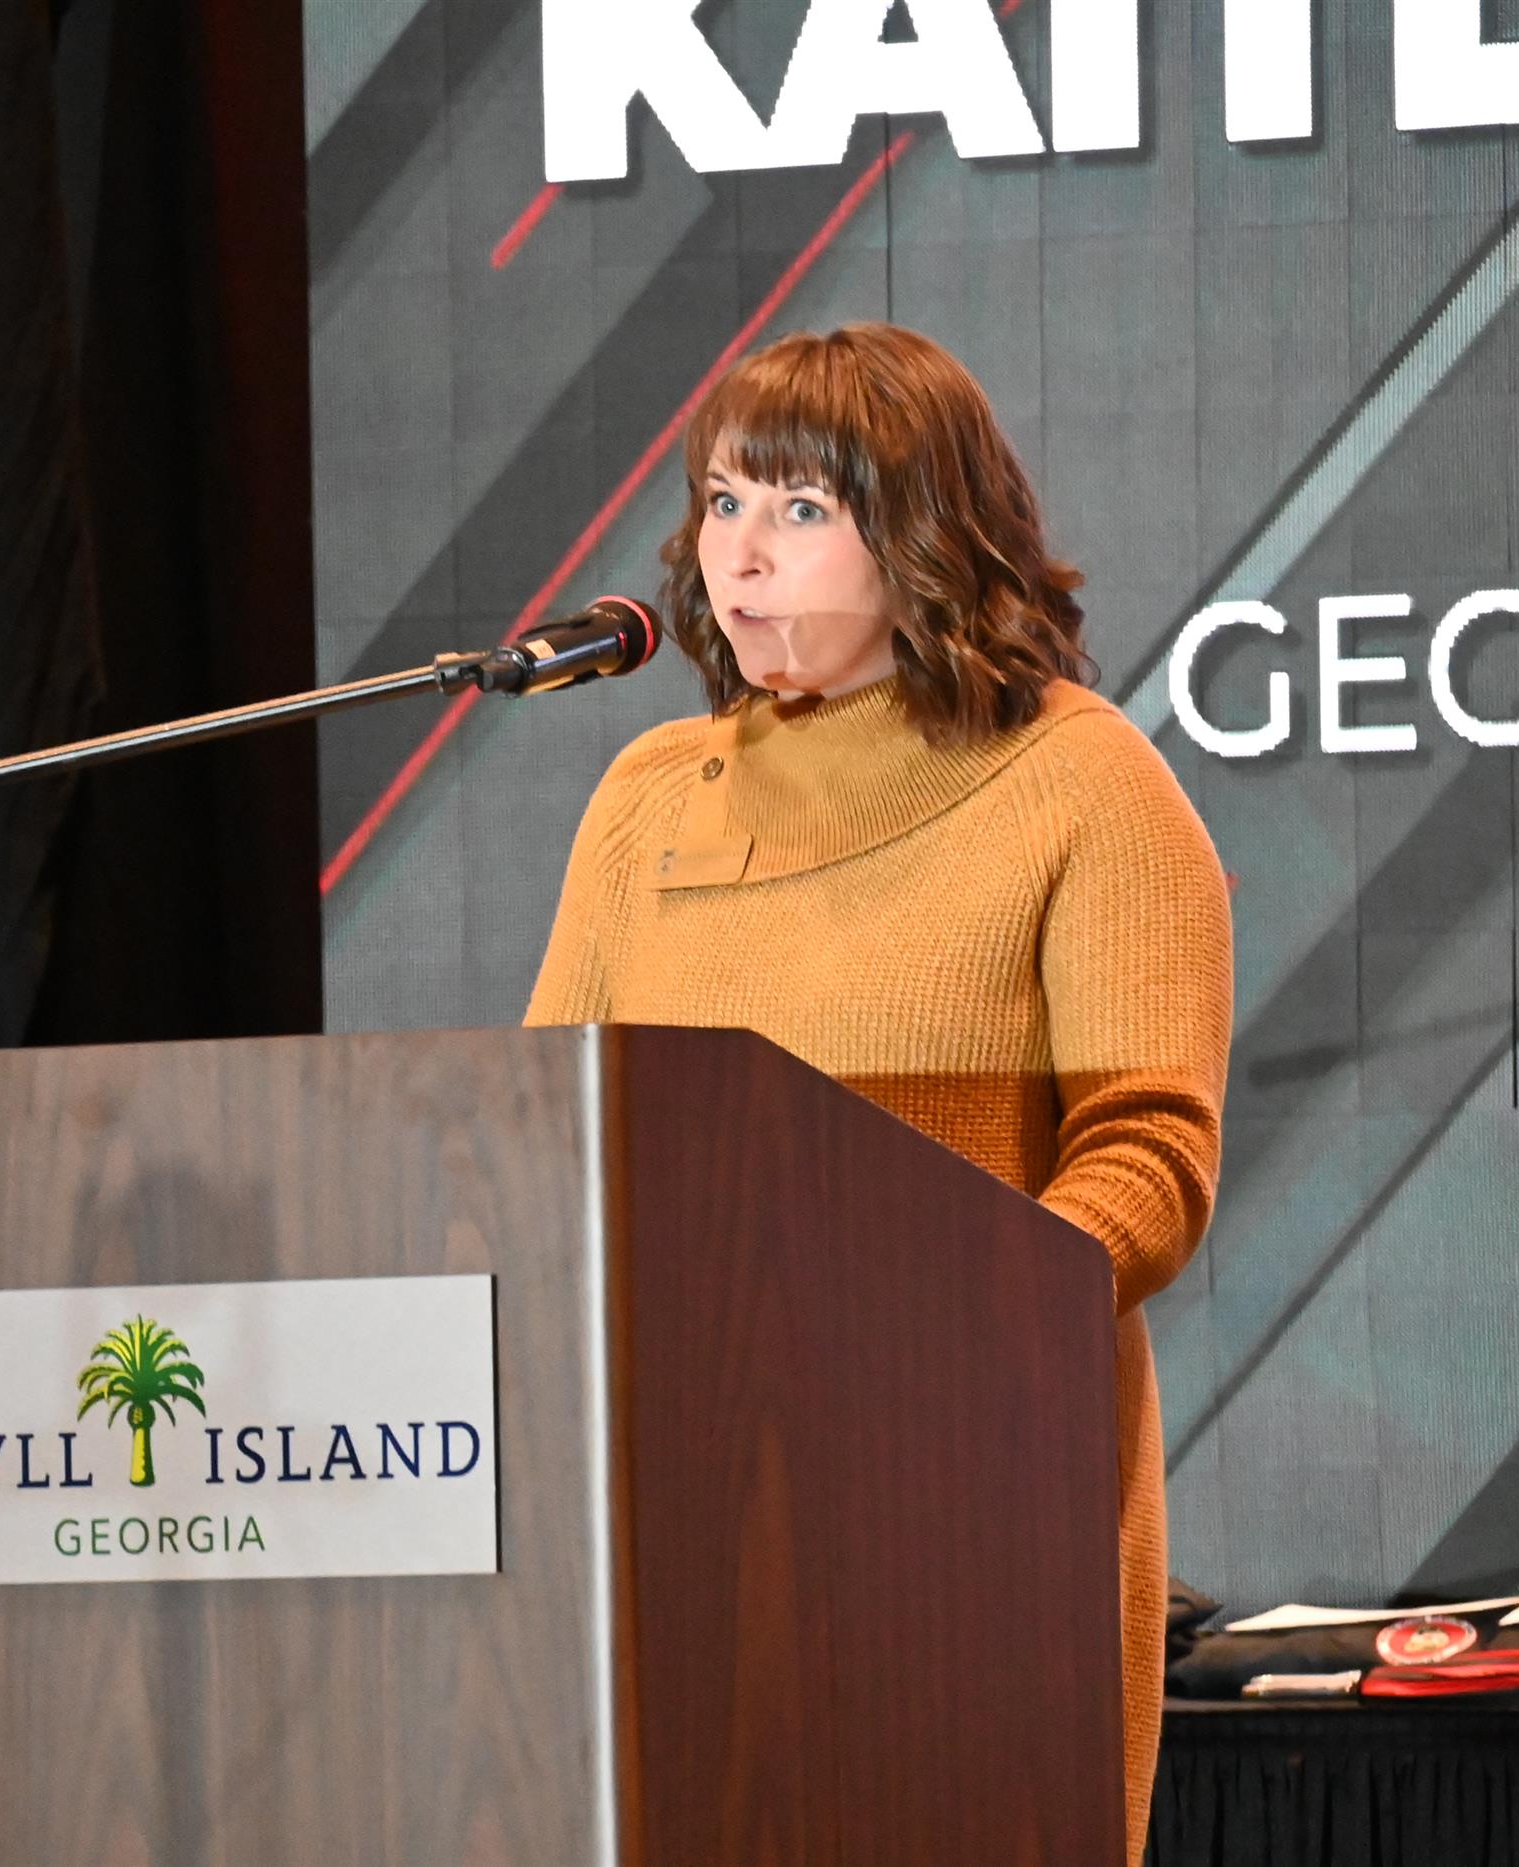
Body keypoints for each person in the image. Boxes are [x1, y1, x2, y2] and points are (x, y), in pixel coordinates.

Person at [525, 322, 1231, 1862]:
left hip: (969, 1491)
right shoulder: (645, 800)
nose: (739, 552)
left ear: (925, 532)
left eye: (800, 508)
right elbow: (538, 1147)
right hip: (675, 1505)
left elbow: (1149, 1153)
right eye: (723, 501)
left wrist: (945, 1337)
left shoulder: (1081, 779)